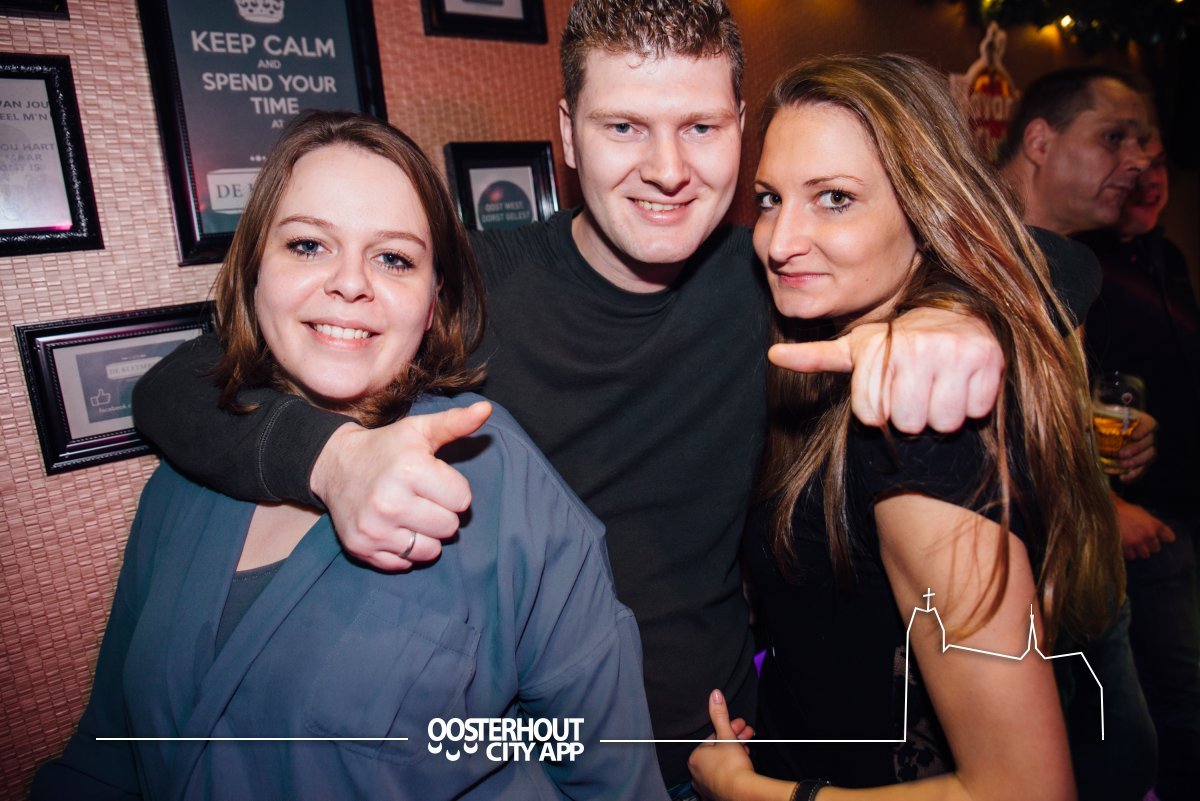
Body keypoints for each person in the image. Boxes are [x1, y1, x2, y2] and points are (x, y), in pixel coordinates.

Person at [130, 2, 1097, 793]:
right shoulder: (470, 289)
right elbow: (180, 387)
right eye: (624, 126)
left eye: (701, 128)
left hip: (718, 756)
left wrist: (955, 319)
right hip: (522, 763)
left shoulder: (775, 274)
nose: (668, 170)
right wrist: (332, 459)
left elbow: (1052, 264)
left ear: (741, 128)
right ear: (566, 134)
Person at [32, 111, 666, 801]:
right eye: (308, 245)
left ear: (432, 303)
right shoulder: (186, 475)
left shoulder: (501, 483)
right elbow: (109, 752)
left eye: (393, 258)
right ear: (254, 272)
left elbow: (606, 770)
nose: (349, 283)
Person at [687, 52, 1122, 801]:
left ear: (928, 212)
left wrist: (747, 792)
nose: (780, 240)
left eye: (834, 198)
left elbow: (1025, 789)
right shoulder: (838, 344)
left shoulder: (921, 427)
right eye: (769, 199)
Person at [999, 66, 1167, 800]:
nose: (1137, 161)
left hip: (1087, 585)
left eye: (1142, 142)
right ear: (1040, 141)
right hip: (1026, 601)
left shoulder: (1068, 262)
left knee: (1127, 764)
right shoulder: (981, 254)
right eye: (1113, 138)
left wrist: (1108, 457)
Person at [1076, 128, 1200, 801]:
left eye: (1158, 166)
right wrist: (1109, 503)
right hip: (1135, 514)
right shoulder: (1083, 267)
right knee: (1174, 700)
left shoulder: (1165, 256)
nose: (1147, 178)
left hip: (1179, 492)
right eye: (1130, 163)